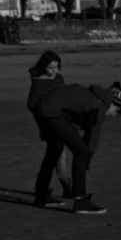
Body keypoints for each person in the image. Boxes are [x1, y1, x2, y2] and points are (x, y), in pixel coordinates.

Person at [31, 76, 121, 214]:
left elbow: (79, 121)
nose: (114, 115)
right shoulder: (99, 107)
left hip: (46, 109)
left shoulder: (95, 97)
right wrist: (86, 161)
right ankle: (81, 201)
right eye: (118, 111)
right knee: (81, 152)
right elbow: (92, 138)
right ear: (113, 103)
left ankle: (41, 196)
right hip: (52, 112)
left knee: (55, 150)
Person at [26, 51, 76, 208]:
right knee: (56, 156)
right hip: (49, 126)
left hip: (63, 122)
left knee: (59, 155)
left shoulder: (59, 78)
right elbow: (31, 105)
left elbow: (64, 98)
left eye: (56, 67)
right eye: (50, 68)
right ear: (43, 66)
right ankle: (53, 191)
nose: (54, 71)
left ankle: (64, 189)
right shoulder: (38, 83)